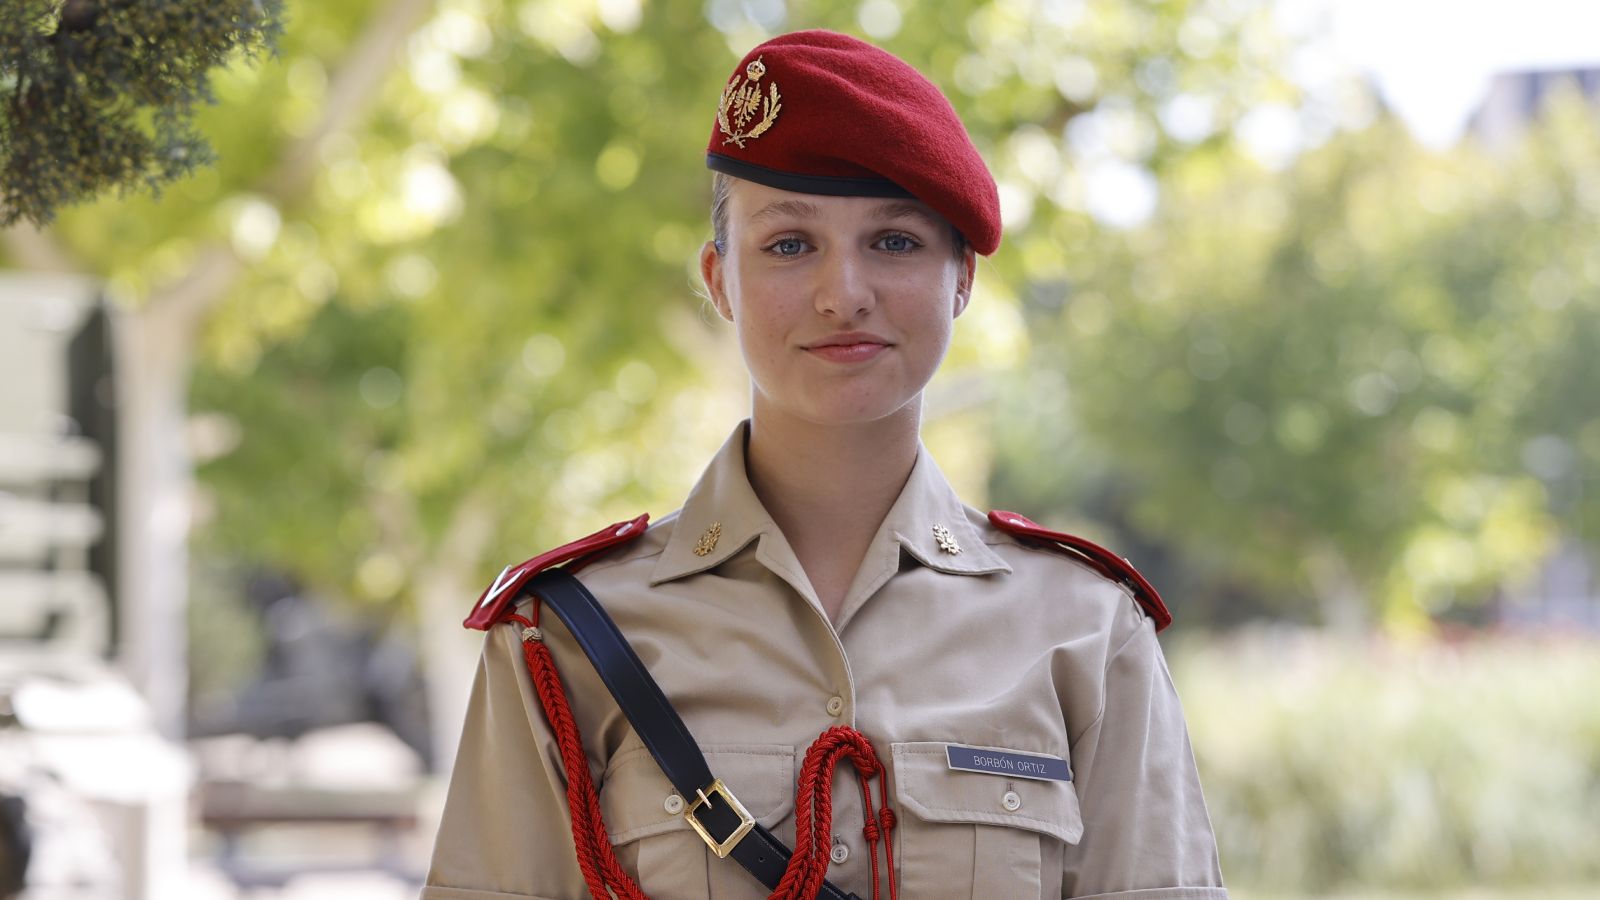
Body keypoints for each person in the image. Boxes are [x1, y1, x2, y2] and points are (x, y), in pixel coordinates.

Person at [422, 29, 1225, 900]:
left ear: (963, 279)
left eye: (895, 242)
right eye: (789, 244)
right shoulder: (567, 636)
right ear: (719, 278)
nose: (844, 292)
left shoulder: (1086, 630)